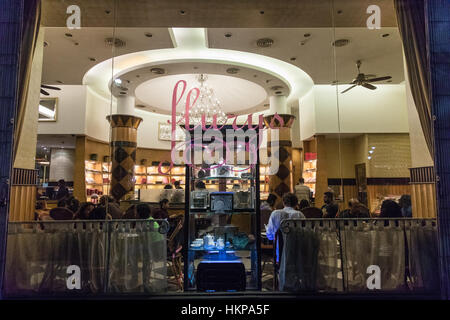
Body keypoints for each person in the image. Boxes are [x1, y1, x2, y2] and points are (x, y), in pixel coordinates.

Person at [266, 193, 305, 262]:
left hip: (280, 256)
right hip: (297, 257)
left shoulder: (275, 213)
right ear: (296, 204)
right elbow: (304, 235)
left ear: (283, 202)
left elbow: (270, 236)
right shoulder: (299, 215)